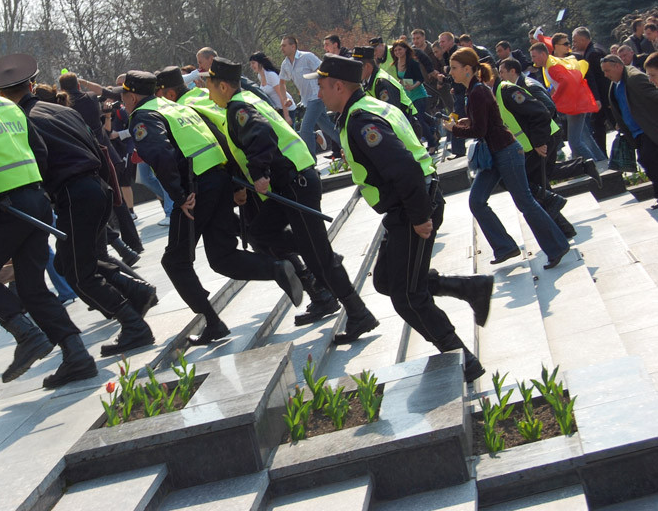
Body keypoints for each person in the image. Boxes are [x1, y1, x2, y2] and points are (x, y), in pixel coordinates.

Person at [313, 53, 491, 382]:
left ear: (339, 86)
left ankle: (461, 358)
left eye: (322, 86)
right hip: (408, 206)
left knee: (407, 296)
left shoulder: (362, 120)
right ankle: (470, 288)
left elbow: (404, 167)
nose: (318, 93)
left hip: (413, 206)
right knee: (385, 279)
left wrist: (419, 216)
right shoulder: (365, 109)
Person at [0, 44, 96, 387]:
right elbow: (39, 151)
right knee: (32, 286)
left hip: (6, 208)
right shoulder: (7, 106)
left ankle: (27, 334)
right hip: (35, 201)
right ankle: (77, 354)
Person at [0, 53, 157, 359]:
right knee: (71, 263)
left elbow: (36, 163)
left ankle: (133, 325)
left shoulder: (19, 120)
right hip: (96, 188)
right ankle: (137, 292)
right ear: (33, 84)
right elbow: (97, 145)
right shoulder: (60, 109)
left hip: (74, 194)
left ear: (1, 95)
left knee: (80, 273)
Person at [122, 69, 304, 345]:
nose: (123, 102)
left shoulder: (144, 116)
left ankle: (213, 322)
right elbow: (217, 140)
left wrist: (179, 196)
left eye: (123, 96)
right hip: (217, 180)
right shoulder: (172, 107)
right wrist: (235, 185)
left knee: (175, 261)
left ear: (132, 96)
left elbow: (160, 153)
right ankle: (277, 268)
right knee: (222, 258)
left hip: (195, 191)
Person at [205, 57, 378, 334]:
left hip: (296, 182)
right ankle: (314, 249)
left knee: (319, 256)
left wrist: (259, 173)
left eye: (210, 85)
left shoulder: (239, 108)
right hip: (290, 182)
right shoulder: (246, 100)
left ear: (223, 86)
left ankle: (359, 313)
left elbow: (260, 134)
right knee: (259, 233)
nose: (207, 92)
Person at [442, 48, 570, 269]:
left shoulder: (478, 92)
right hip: (494, 154)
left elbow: (481, 130)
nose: (450, 72)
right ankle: (505, 247)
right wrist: (465, 122)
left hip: (506, 152)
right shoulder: (473, 91)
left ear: (467, 69)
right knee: (477, 201)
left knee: (525, 202)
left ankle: (557, 246)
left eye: (454, 68)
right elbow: (483, 124)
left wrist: (456, 129)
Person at [59, 71, 145, 260]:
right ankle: (133, 243)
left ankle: (110, 250)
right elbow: (103, 93)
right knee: (118, 200)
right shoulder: (90, 98)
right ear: (79, 86)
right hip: (107, 153)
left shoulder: (62, 106)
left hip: (87, 156)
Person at [494, 59, 579, 238]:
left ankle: (560, 226)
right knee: (538, 186)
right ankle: (563, 228)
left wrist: (539, 142)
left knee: (531, 186)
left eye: (501, 71)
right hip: (531, 146)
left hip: (541, 141)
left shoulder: (509, 90)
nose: (500, 75)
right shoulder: (501, 93)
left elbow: (542, 111)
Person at [529, 42, 606, 163]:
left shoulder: (552, 67)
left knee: (575, 142)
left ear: (543, 54)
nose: (532, 59)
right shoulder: (549, 65)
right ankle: (602, 161)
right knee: (584, 137)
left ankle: (596, 165)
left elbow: (564, 82)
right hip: (576, 103)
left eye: (534, 56)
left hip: (574, 105)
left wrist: (554, 99)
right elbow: (556, 84)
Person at [602, 53, 658, 208]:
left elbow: (654, 96)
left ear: (618, 66)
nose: (605, 75)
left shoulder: (634, 78)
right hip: (635, 132)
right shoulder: (616, 83)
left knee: (650, 161)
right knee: (647, 162)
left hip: (647, 129)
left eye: (607, 71)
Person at [279, 35, 341, 156]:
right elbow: (281, 83)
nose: (282, 48)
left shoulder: (307, 57)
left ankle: (311, 163)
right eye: (281, 46)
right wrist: (285, 98)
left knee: (305, 130)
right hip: (306, 101)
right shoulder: (285, 64)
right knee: (328, 128)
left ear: (293, 46)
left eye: (284, 45)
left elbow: (324, 71)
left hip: (317, 97)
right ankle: (350, 146)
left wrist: (324, 90)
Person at [571, 27, 611, 157]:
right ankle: (602, 155)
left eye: (575, 41)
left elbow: (599, 79)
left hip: (603, 97)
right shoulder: (596, 48)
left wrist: (598, 99)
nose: (574, 45)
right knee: (599, 125)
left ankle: (602, 156)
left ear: (583, 40)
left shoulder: (593, 54)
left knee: (599, 126)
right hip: (604, 97)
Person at [391, 39, 435, 150]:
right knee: (421, 117)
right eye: (395, 50)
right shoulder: (397, 63)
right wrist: (400, 83)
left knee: (418, 119)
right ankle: (432, 122)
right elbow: (402, 77)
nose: (398, 52)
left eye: (400, 49)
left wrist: (413, 86)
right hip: (408, 96)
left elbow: (420, 79)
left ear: (405, 49)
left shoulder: (412, 62)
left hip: (419, 94)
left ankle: (432, 143)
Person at [437, 32, 467, 159]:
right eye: (440, 42)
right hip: (459, 92)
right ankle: (458, 150)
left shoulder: (460, 53)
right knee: (455, 118)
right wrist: (448, 82)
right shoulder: (446, 55)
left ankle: (459, 150)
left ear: (451, 41)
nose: (441, 44)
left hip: (466, 92)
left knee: (456, 119)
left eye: (443, 41)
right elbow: (453, 76)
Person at [248, 51, 295, 123]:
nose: (251, 66)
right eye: (250, 64)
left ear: (260, 63)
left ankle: (316, 134)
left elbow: (282, 96)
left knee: (290, 133)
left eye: (253, 63)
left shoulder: (271, 75)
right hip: (277, 110)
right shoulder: (260, 76)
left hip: (287, 109)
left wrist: (287, 116)